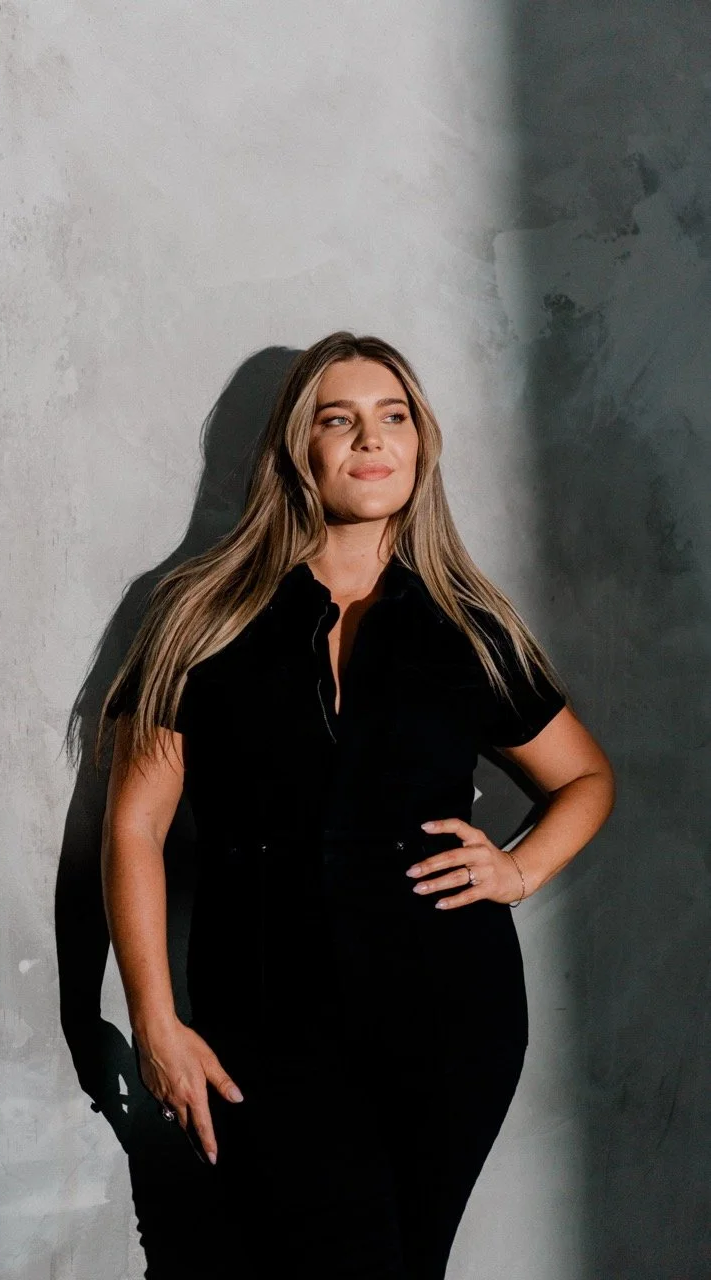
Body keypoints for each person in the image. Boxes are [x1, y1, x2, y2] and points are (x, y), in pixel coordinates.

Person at [97, 331, 615, 1279]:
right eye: (340, 420)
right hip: (263, 1022)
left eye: (394, 416)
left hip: (454, 1021)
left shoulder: (469, 625)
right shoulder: (200, 614)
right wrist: (155, 1022)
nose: (371, 440)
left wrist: (519, 866)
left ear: (421, 447)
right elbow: (133, 826)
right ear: (301, 450)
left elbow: (586, 779)